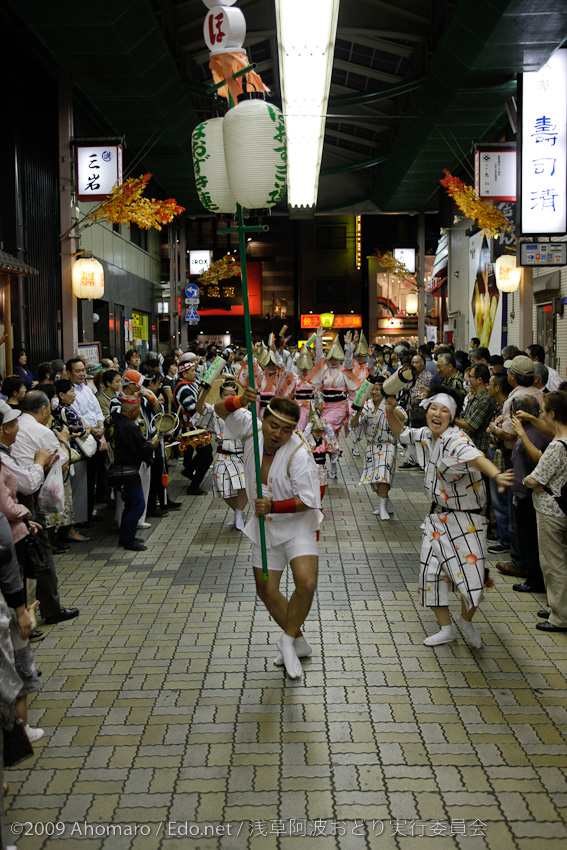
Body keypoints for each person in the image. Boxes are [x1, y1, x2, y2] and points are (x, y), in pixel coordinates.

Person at [384, 387, 512, 648]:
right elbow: (402, 434)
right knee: (430, 575)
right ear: (427, 411)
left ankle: (466, 621)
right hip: (437, 519)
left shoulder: (457, 439)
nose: (437, 414)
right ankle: (446, 628)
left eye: (444, 411)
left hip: (468, 521)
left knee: (471, 580)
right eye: (433, 408)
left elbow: (476, 458)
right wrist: (388, 411)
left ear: (452, 416)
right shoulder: (426, 435)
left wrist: (497, 475)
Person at [214, 390, 322, 680]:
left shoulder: (299, 453)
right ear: (262, 419)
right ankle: (297, 641)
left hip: (298, 524)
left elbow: (311, 499)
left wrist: (274, 504)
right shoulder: (251, 431)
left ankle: (286, 640)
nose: (279, 434)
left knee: (306, 582)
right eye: (274, 426)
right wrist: (239, 400)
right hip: (265, 526)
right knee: (266, 589)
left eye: (287, 429)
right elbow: (219, 409)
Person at [10, 393, 79, 626]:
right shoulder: (40, 431)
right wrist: (63, 442)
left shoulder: (16, 430)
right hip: (24, 499)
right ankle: (47, 609)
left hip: (15, 497)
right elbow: (62, 460)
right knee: (38, 553)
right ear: (43, 408)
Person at [524, 392, 567, 631]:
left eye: (543, 411)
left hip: (551, 510)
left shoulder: (556, 447)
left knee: (553, 563)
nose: (542, 415)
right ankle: (556, 606)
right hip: (563, 506)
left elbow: (535, 479)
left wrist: (527, 481)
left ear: (552, 414)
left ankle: (560, 616)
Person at [509, 396, 551, 594]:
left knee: (532, 540)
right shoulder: (542, 433)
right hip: (528, 495)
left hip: (529, 496)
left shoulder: (533, 438)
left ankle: (535, 579)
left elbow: (537, 462)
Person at [195, 379, 247, 530]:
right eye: (226, 394)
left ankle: (239, 514)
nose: (229, 397)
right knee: (222, 487)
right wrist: (205, 392)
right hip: (223, 454)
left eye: (233, 394)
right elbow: (199, 408)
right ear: (220, 396)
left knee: (243, 485)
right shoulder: (214, 410)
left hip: (241, 454)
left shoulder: (244, 412)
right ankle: (238, 512)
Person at [106, 397, 157, 551]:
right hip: (127, 472)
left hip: (121, 471)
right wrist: (151, 445)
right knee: (137, 504)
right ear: (134, 410)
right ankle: (128, 539)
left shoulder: (116, 423)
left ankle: (126, 536)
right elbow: (141, 449)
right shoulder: (128, 427)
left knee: (130, 505)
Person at [350, 379, 405, 520]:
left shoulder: (390, 403)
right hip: (371, 446)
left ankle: (381, 508)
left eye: (378, 389)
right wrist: (358, 410)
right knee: (374, 480)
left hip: (388, 445)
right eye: (372, 389)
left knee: (383, 475)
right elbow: (354, 424)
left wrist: (391, 410)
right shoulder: (366, 405)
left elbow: (403, 417)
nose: (374, 392)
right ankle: (386, 504)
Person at [67, 357, 105, 524]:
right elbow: (77, 416)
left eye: (83, 370)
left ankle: (89, 513)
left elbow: (97, 411)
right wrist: (92, 430)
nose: (82, 374)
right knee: (82, 480)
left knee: (92, 478)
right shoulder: (68, 392)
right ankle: (81, 517)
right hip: (82, 439)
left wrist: (101, 427)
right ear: (68, 373)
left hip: (95, 436)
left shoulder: (88, 389)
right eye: (78, 371)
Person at [174, 360, 213, 496]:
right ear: (184, 373)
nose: (195, 373)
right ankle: (193, 486)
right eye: (192, 371)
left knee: (205, 454)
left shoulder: (193, 384)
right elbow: (192, 410)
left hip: (197, 427)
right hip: (191, 429)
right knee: (207, 456)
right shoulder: (183, 389)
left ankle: (189, 470)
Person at [304, 412, 339, 503]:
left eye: (320, 431)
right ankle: (313, 503)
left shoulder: (325, 441)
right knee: (312, 486)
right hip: (311, 467)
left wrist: (327, 426)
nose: (318, 434)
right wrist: (310, 424)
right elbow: (305, 436)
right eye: (315, 431)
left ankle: (319, 502)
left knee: (322, 486)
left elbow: (332, 436)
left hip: (322, 467)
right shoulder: (310, 441)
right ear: (312, 432)